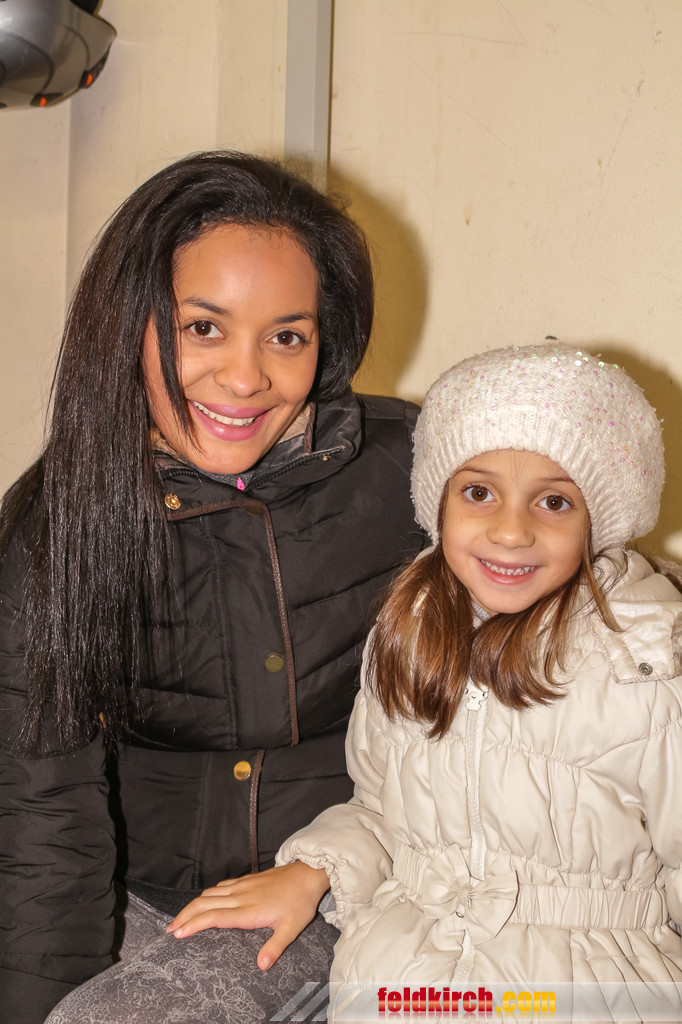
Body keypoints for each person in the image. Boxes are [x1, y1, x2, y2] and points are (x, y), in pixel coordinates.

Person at [0, 151, 426, 1024]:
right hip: (137, 894)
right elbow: (47, 814)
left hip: (337, 895)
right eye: (203, 328)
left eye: (287, 336)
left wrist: (328, 868)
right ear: (129, 325)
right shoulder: (58, 516)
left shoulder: (413, 471)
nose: (245, 378)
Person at [168, 343, 682, 1022]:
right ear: (438, 502)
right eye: (479, 493)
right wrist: (315, 868)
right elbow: (383, 812)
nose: (510, 531)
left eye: (554, 501)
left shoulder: (650, 668)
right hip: (406, 985)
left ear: (600, 520)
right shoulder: (409, 634)